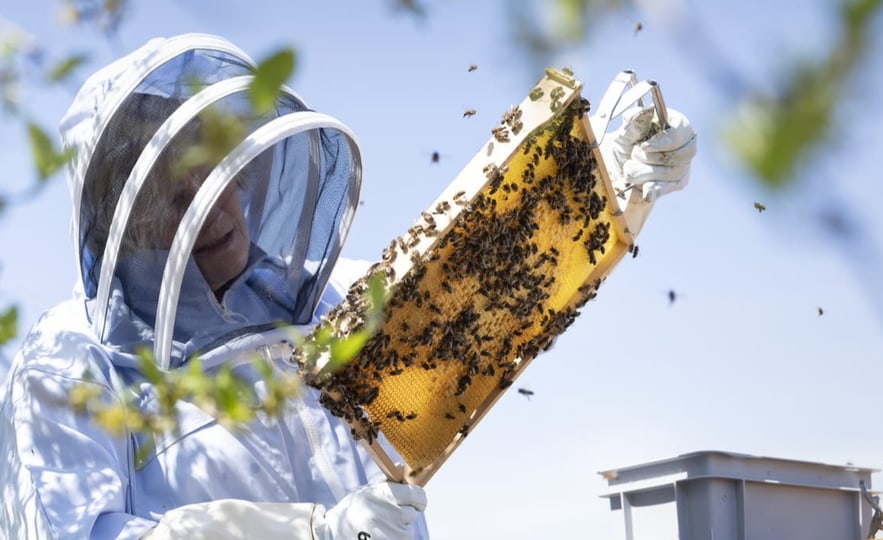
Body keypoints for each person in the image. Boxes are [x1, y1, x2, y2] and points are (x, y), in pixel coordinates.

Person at [0, 33, 695, 540]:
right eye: (177, 196)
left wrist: (620, 180)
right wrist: (303, 535)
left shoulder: (333, 301)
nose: (214, 209)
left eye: (221, 175)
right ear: (129, 221)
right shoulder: (70, 361)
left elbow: (501, 288)